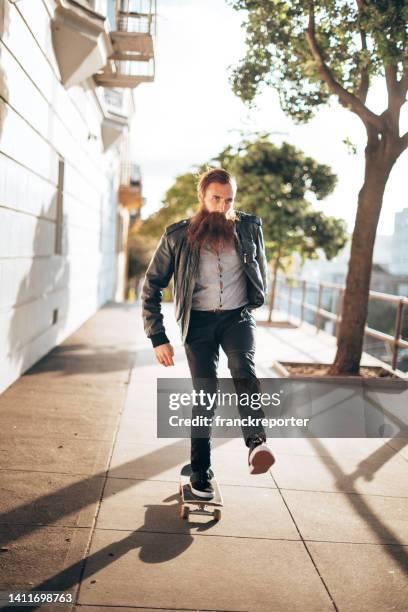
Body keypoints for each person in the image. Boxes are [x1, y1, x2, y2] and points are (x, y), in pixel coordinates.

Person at [141, 168, 275, 499]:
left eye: (228, 200)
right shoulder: (176, 237)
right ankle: (200, 469)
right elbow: (151, 287)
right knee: (206, 395)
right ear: (202, 196)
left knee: (242, 368)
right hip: (198, 323)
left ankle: (256, 443)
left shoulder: (249, 228)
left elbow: (261, 269)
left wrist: (257, 299)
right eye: (215, 198)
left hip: (237, 317)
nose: (222, 206)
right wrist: (158, 337)